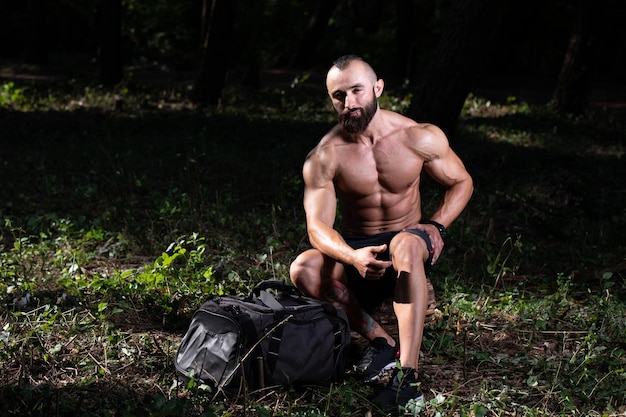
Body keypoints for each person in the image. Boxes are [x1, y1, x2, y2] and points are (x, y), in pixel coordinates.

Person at [289, 55, 473, 414]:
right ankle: (382, 341)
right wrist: (353, 257)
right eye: (338, 95)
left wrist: (436, 225)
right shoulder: (325, 156)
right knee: (303, 269)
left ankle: (408, 377)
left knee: (404, 242)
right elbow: (317, 227)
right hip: (360, 247)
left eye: (357, 90)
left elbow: (461, 181)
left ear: (377, 88)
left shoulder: (418, 136)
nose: (350, 103)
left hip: (408, 242)